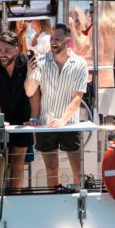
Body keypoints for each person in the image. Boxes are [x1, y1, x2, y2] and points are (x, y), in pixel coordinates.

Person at [25, 23, 89, 189]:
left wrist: (62, 120)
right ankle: (54, 198)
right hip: (46, 123)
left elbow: (77, 99)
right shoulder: (41, 61)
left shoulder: (80, 64)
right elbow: (29, 91)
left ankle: (78, 200)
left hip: (70, 124)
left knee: (78, 169)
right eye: (52, 39)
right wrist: (30, 73)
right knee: (51, 168)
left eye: (58, 39)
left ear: (67, 40)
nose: (54, 42)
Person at [0, 32, 40, 191]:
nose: (2, 54)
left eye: (7, 50)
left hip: (22, 116)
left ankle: (16, 197)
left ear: (16, 50)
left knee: (18, 161)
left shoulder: (25, 62)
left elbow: (35, 93)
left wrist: (34, 117)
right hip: (0, 115)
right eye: (0, 50)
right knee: (0, 161)